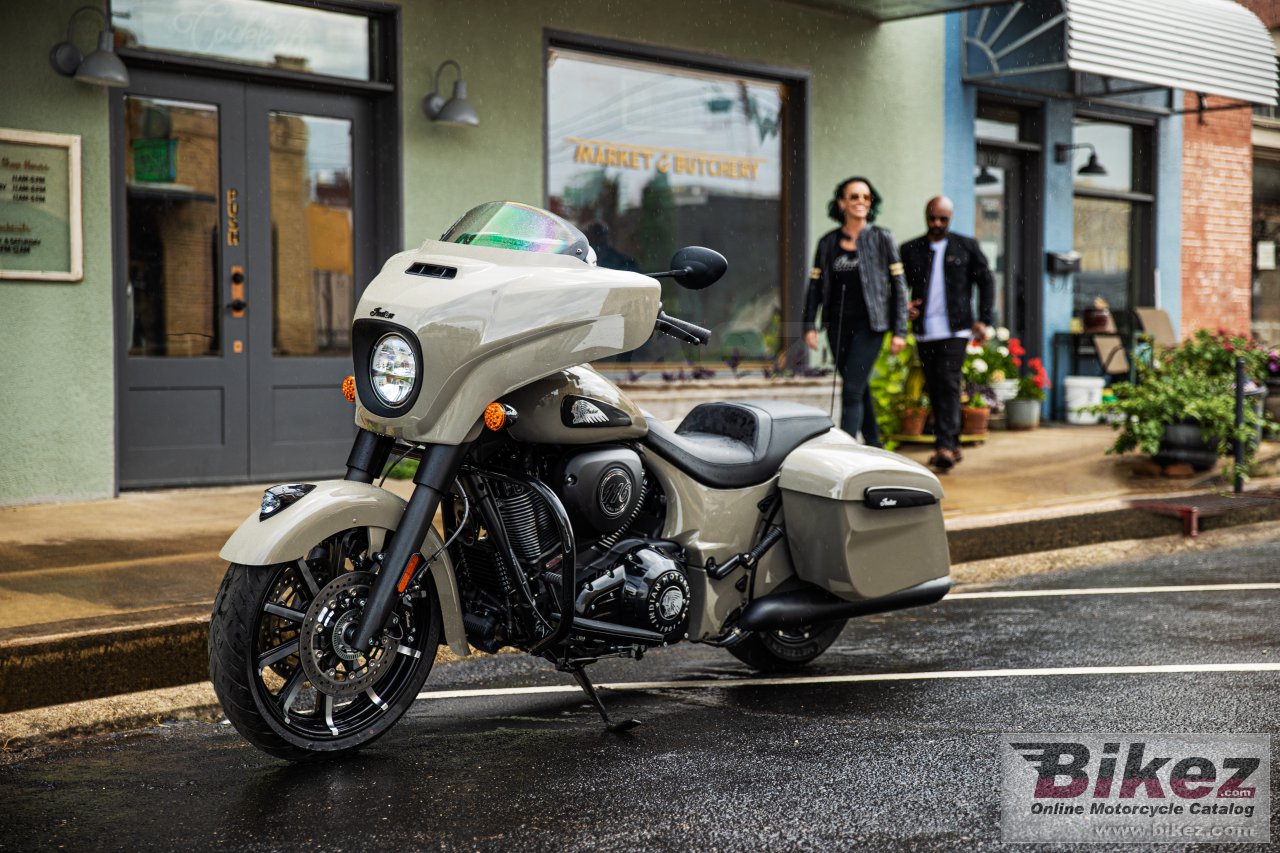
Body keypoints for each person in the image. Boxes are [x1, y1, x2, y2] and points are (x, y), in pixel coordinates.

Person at [803, 177, 908, 446]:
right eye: (854, 197)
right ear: (842, 203)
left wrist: (900, 330)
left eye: (866, 197)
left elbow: (898, 287)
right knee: (858, 388)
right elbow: (815, 285)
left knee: (850, 390)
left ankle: (845, 451)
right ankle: (875, 445)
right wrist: (809, 324)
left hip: (871, 326)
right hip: (837, 326)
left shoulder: (882, 238)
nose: (861, 202)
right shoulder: (827, 242)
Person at [900, 195, 995, 472]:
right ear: (926, 216)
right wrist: (903, 307)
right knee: (934, 385)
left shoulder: (965, 247)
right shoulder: (911, 249)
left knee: (949, 383)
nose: (937, 223)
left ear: (950, 219)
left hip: (956, 329)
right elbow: (894, 284)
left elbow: (986, 281)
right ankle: (951, 444)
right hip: (924, 332)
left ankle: (943, 445)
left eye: (942, 219)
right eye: (932, 218)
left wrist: (983, 320)